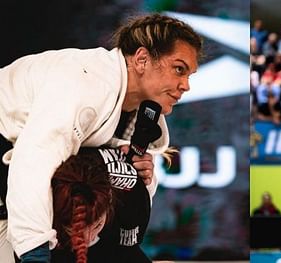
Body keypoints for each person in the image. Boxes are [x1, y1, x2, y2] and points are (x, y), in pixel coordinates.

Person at [0, 13, 202, 262]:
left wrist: (141, 177)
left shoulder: (142, 110)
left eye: (189, 75)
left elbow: (127, 210)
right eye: (178, 69)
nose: (185, 85)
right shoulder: (85, 85)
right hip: (14, 176)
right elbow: (32, 162)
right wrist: (35, 253)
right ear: (141, 59)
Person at [51, 147, 158, 263]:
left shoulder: (131, 208)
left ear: (110, 204)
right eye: (77, 230)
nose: (87, 239)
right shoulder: (41, 220)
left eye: (97, 225)